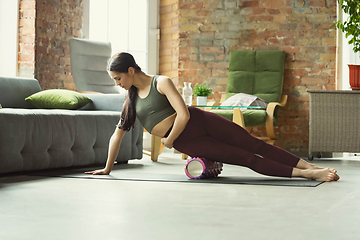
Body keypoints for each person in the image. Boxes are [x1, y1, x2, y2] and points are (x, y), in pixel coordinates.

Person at [85, 52, 339, 182]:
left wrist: (170, 140)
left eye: (118, 78)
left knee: (255, 144)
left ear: (130, 70)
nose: (117, 84)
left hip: (198, 121)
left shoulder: (161, 82)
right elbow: (116, 135)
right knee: (246, 158)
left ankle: (309, 166)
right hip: (190, 142)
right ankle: (308, 175)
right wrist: (107, 168)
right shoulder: (130, 100)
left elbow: (183, 114)